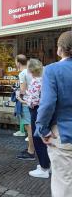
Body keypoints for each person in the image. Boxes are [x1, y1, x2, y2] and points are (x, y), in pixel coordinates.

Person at [36, 31, 72, 197]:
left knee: (63, 183)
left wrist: (42, 129)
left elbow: (48, 103)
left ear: (60, 49)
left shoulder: (52, 70)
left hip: (64, 133)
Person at [17, 59, 50, 178]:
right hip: (45, 112)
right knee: (45, 138)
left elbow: (32, 102)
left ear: (30, 71)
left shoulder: (36, 82)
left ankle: (44, 167)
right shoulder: (46, 80)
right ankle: (47, 164)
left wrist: (21, 99)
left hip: (36, 112)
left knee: (38, 139)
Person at [15, 54, 35, 161]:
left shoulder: (22, 73)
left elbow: (23, 90)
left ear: (18, 62)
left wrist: (18, 94)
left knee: (29, 128)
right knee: (32, 127)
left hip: (26, 103)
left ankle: (31, 151)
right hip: (33, 102)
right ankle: (30, 148)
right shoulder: (31, 71)